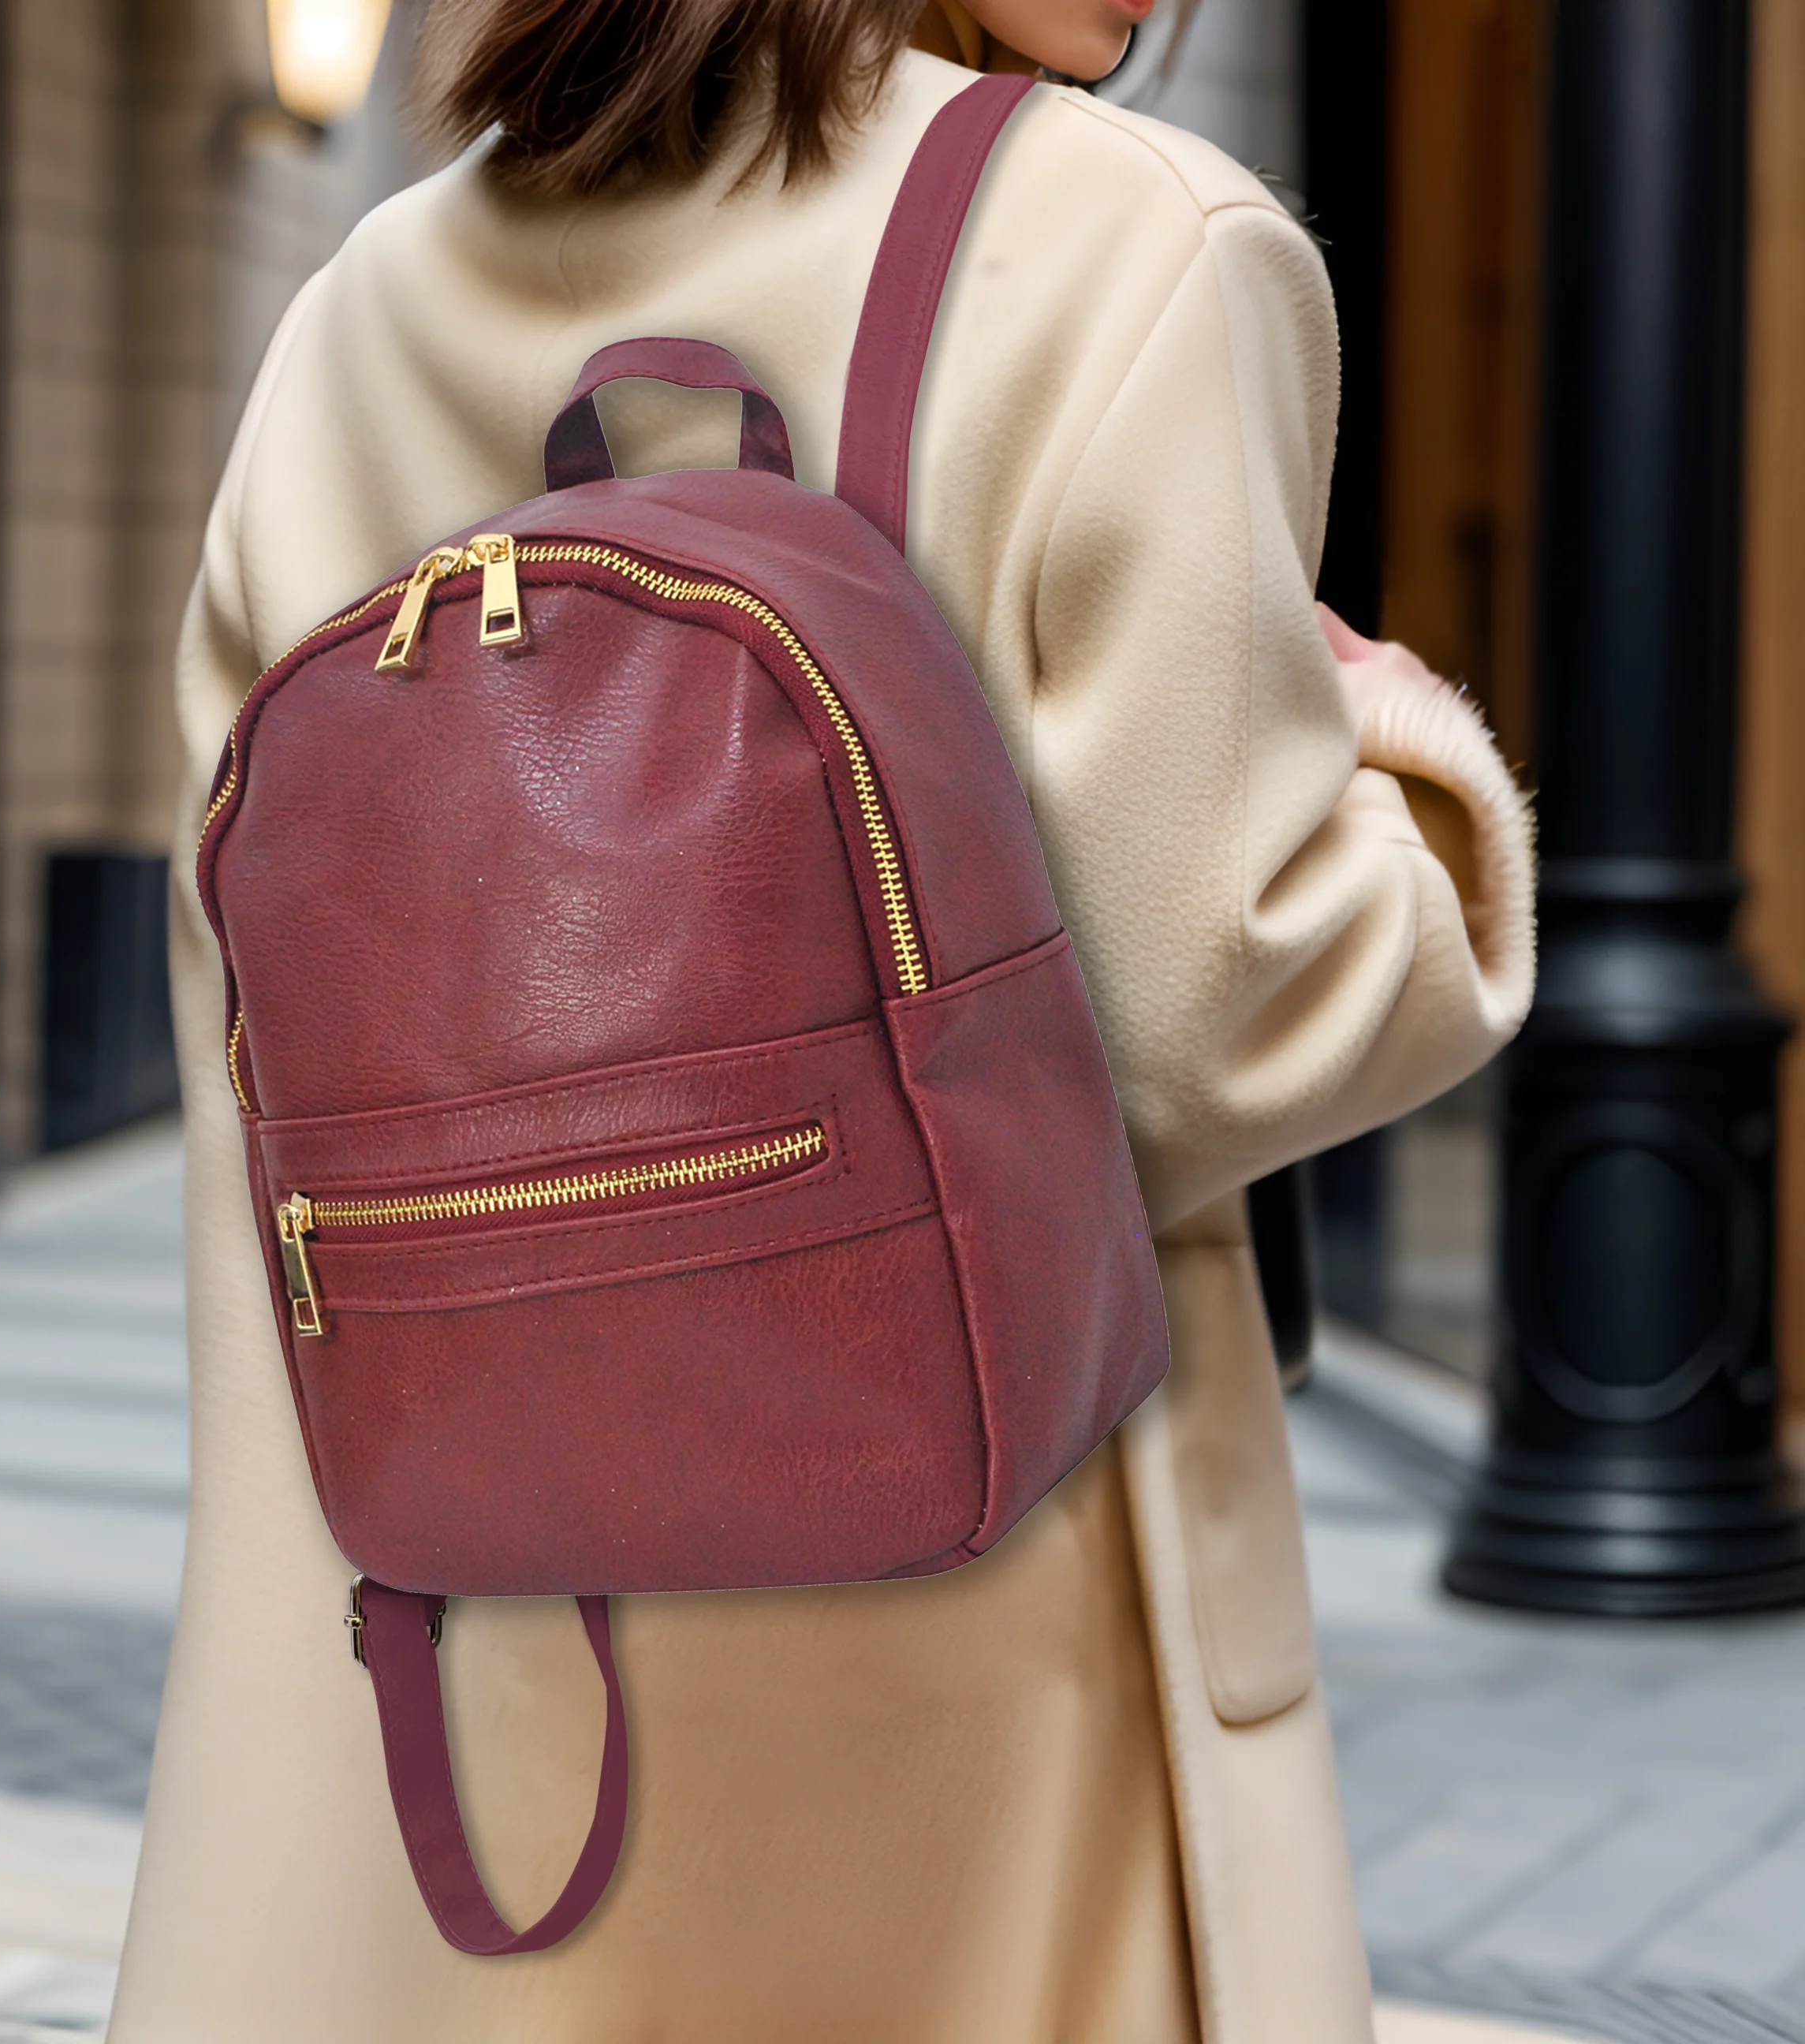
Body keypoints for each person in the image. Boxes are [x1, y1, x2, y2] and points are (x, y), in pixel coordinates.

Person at [109, 3, 1535, 2039]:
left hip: (443, 1629)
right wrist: (1403, 764)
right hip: (954, 1628)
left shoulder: (369, 300)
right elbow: (1206, 1016)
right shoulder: (1121, 241)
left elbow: (252, 988)